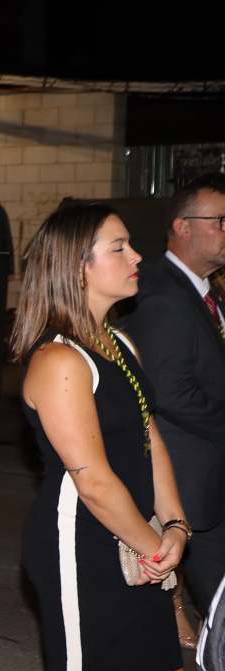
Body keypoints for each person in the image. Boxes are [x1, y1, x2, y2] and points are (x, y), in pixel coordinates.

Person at [10, 203, 188, 671]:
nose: (137, 256)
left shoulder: (116, 342)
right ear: (77, 267)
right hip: (81, 543)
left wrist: (176, 523)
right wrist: (156, 548)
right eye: (119, 248)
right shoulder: (60, 361)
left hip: (135, 535)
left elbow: (147, 437)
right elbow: (93, 481)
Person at [120, 173, 225, 618]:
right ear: (183, 226)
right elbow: (169, 391)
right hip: (189, 481)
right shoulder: (163, 294)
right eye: (221, 221)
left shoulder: (204, 291)